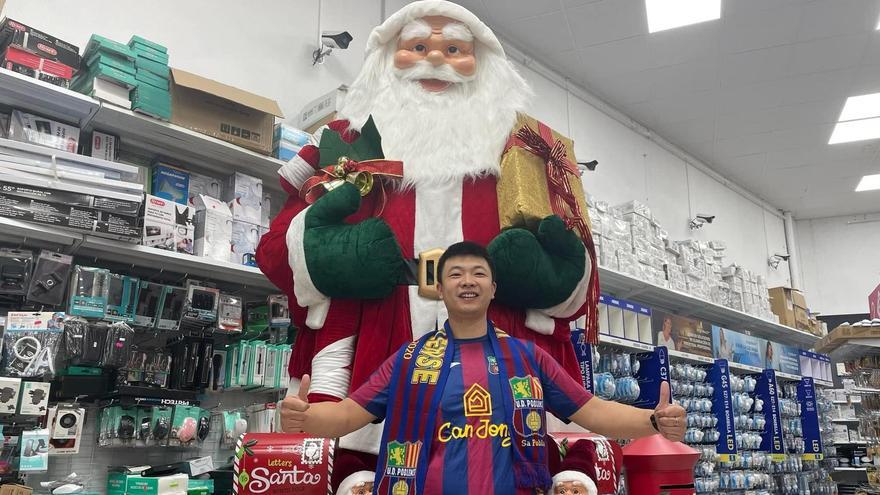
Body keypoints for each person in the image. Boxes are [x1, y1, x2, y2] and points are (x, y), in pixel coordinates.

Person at [257, 0, 598, 468]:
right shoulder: (342, 142)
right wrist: (327, 253)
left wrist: (546, 274)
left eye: (455, 48)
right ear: (386, 61)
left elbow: (579, 266)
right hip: (371, 354)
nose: (435, 59)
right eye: (417, 46)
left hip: (503, 355)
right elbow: (275, 252)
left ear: (484, 66)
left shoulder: (528, 149)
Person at [281, 242, 687, 495]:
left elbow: (593, 411)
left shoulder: (529, 359)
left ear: (493, 289)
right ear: (439, 290)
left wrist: (653, 420)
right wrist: (306, 416)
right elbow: (349, 414)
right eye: (455, 274)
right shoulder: (408, 360)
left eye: (479, 273)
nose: (467, 281)